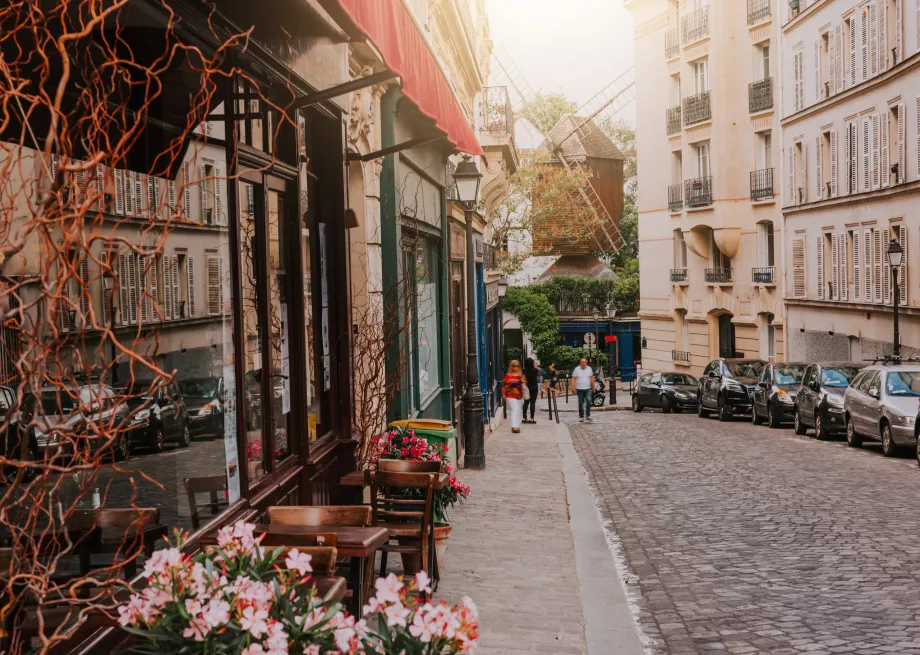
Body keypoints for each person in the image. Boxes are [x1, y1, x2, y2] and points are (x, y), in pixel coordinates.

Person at [502, 360, 525, 433]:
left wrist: (521, 381)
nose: (516, 367)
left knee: (518, 410)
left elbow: (524, 382)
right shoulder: (508, 375)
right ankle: (514, 426)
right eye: (514, 365)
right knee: (515, 409)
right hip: (510, 395)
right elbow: (503, 386)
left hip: (519, 395)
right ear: (511, 366)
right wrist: (503, 395)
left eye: (518, 365)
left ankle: (517, 425)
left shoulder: (521, 374)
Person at [523, 358, 539, 424]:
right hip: (534, 387)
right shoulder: (535, 370)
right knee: (532, 403)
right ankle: (532, 418)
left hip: (527, 387)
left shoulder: (524, 371)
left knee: (526, 402)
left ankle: (524, 418)